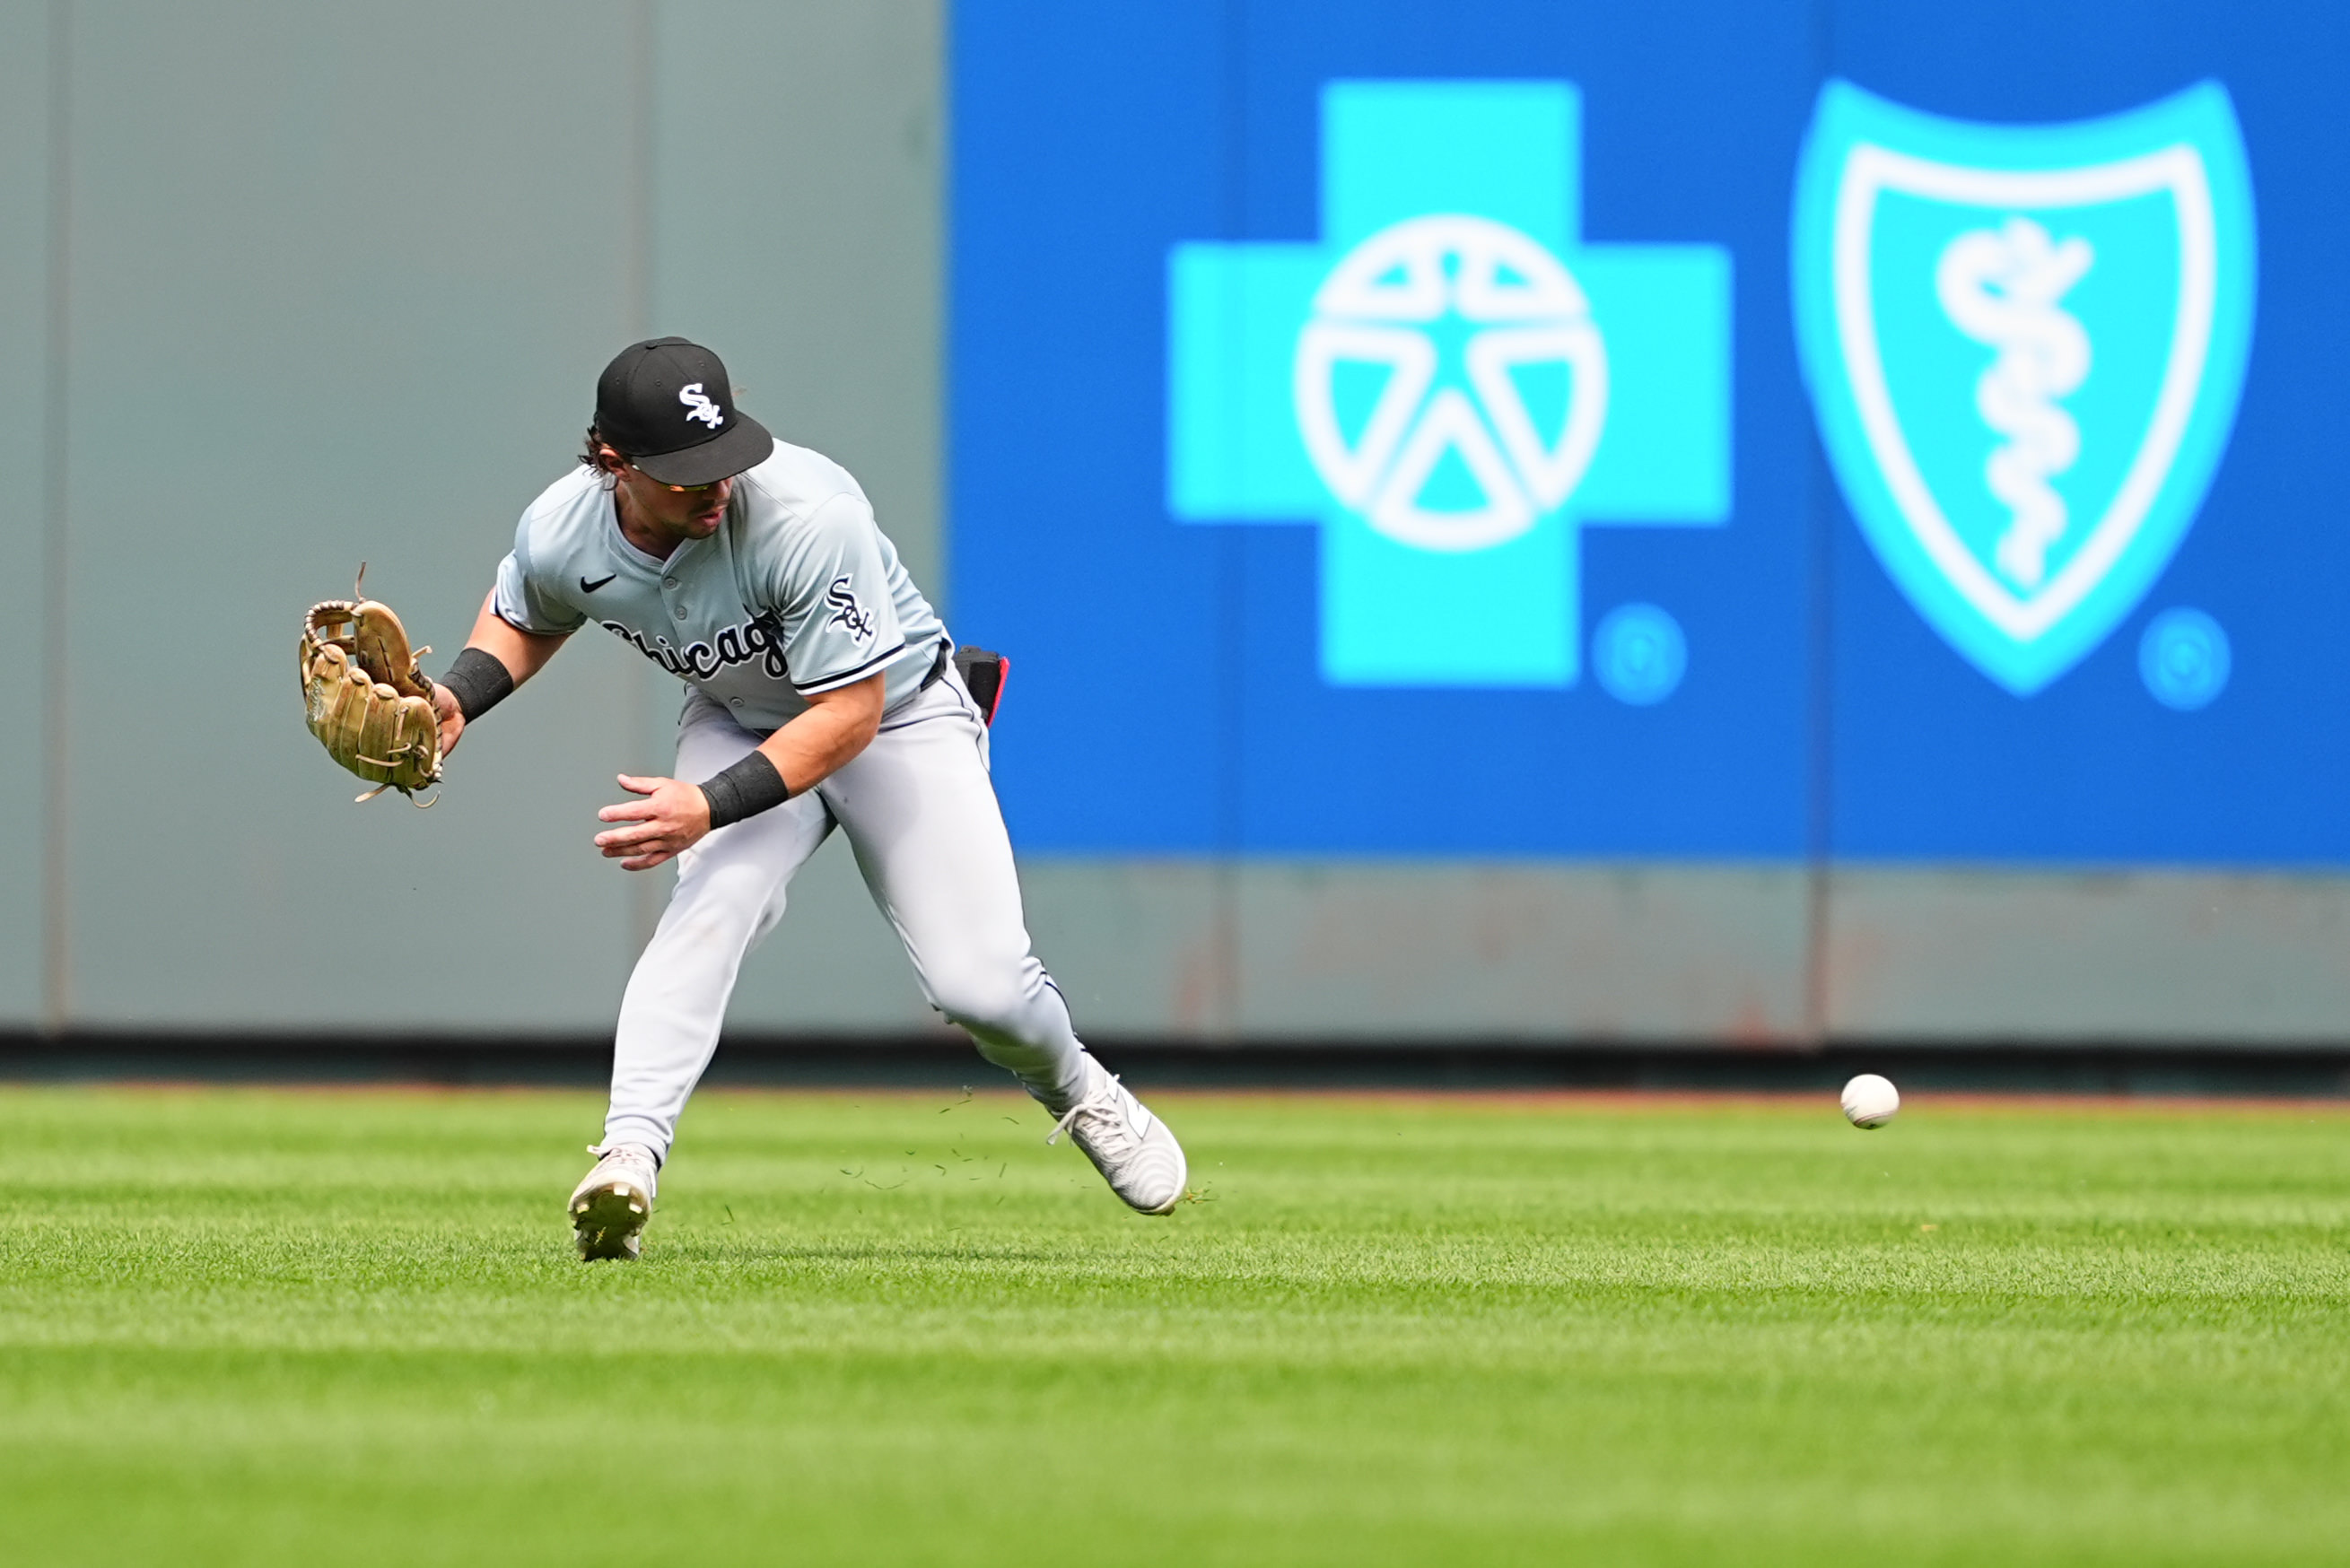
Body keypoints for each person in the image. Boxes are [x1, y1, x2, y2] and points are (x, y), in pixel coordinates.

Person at [428, 337, 1187, 1259]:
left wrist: (709, 804)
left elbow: (850, 713)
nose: (715, 486)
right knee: (713, 901)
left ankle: (1080, 1089)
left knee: (978, 984)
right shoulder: (563, 526)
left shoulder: (809, 512)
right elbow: (524, 610)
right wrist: (455, 699)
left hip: (896, 716)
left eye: (724, 459)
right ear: (614, 465)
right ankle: (628, 1154)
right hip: (743, 715)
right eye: (684, 474)